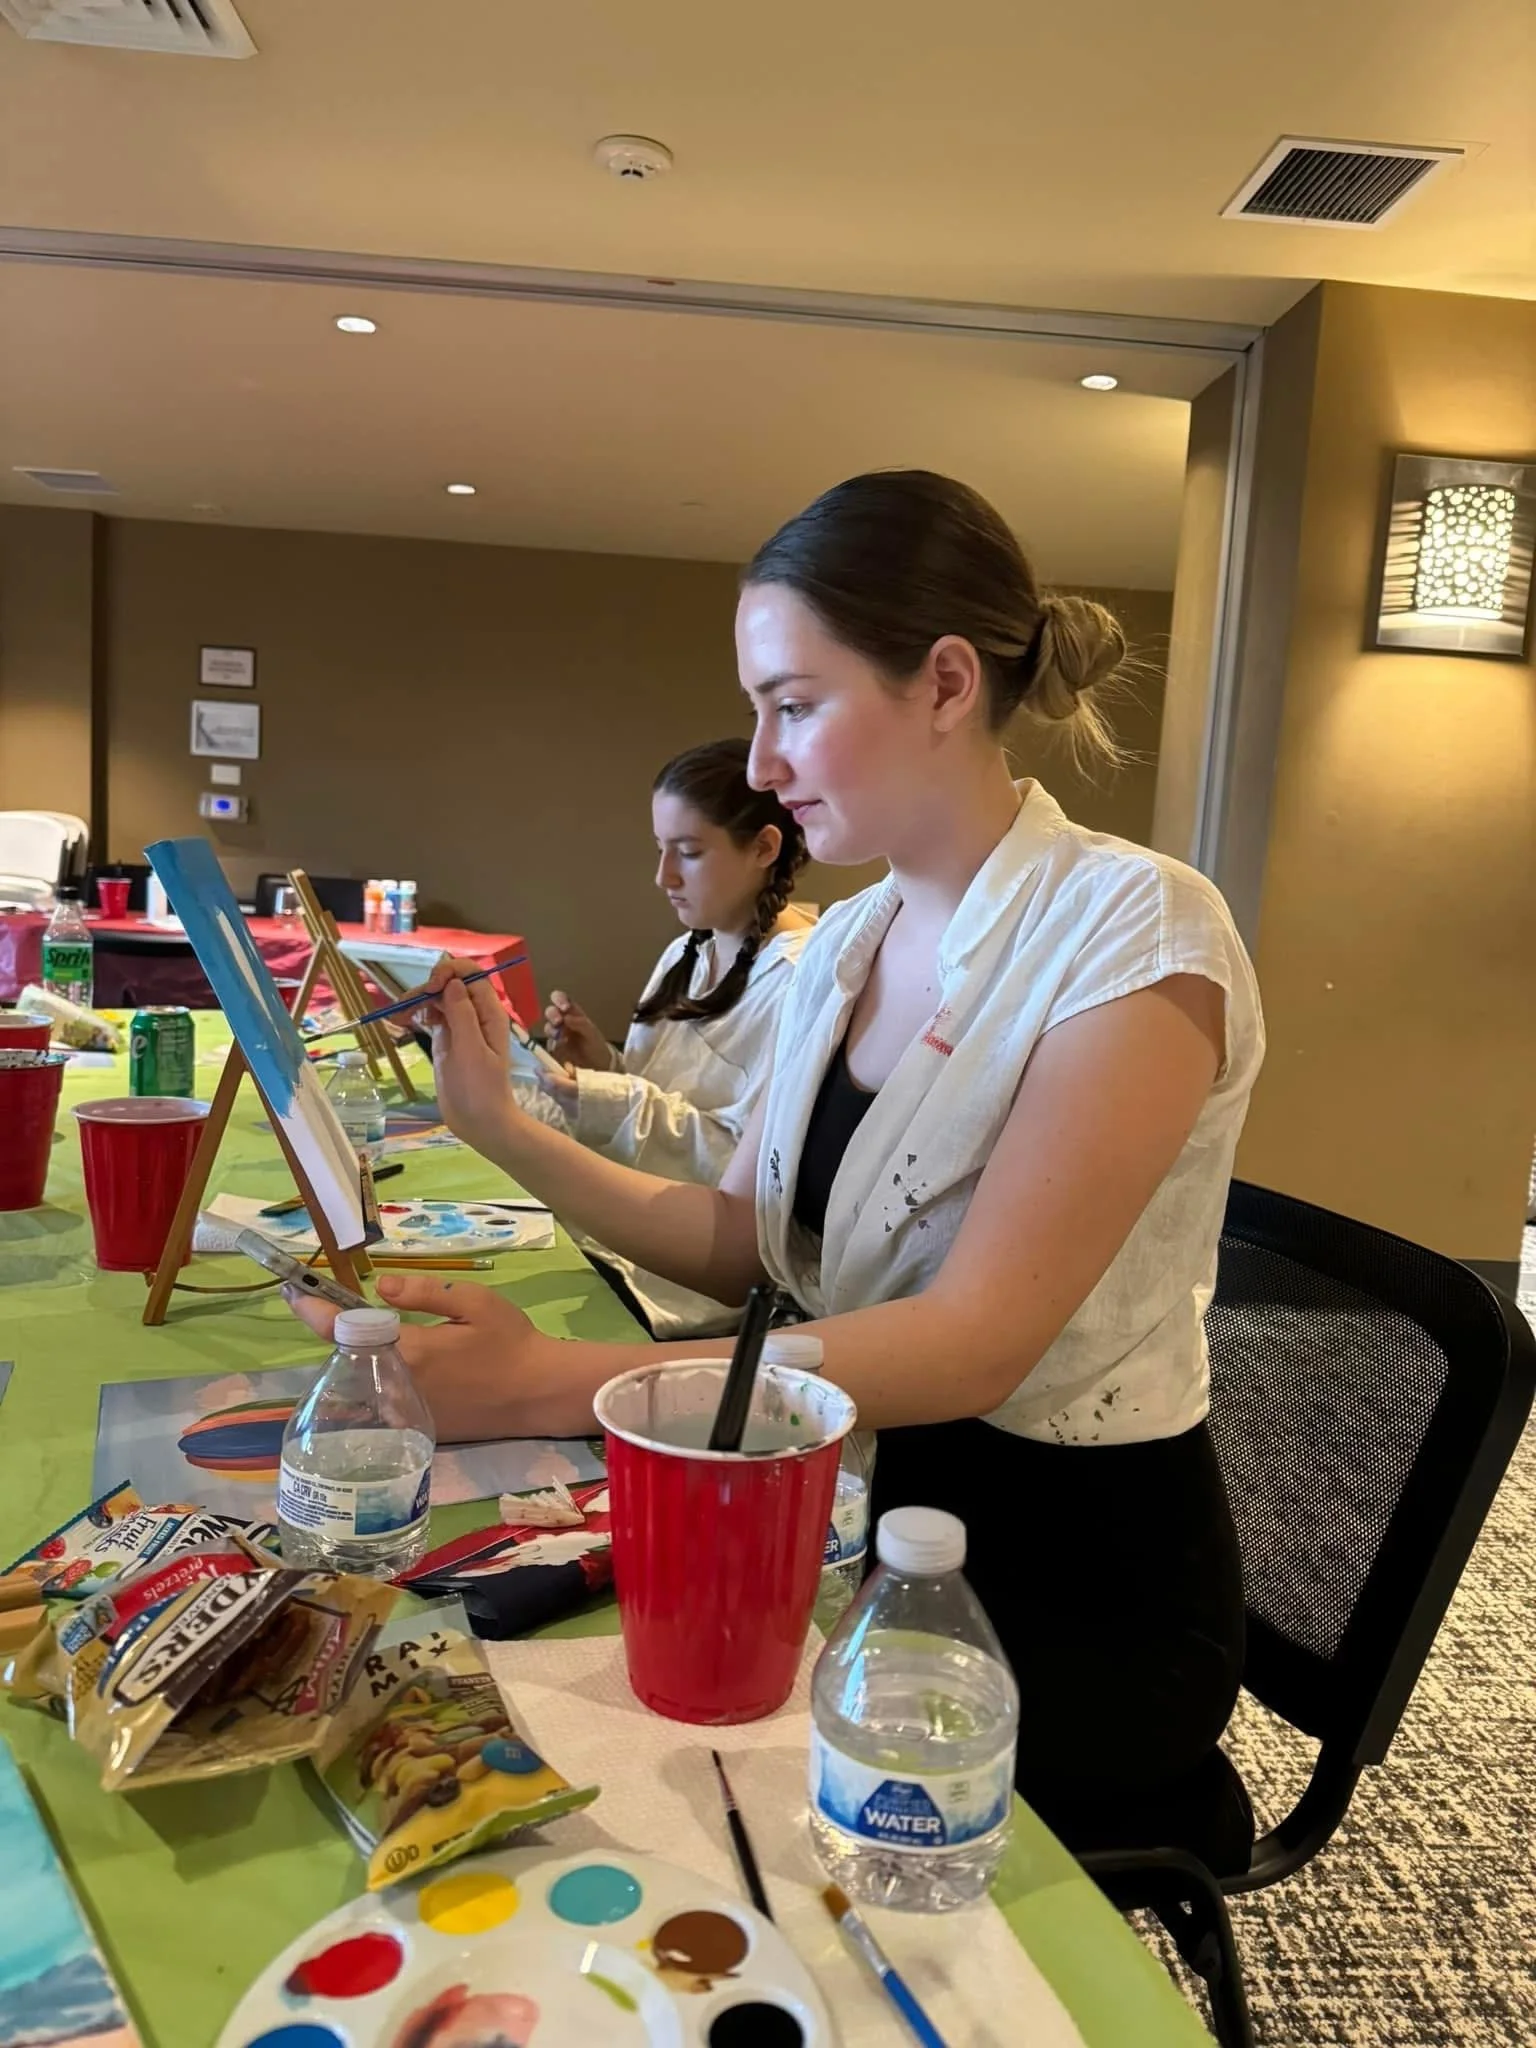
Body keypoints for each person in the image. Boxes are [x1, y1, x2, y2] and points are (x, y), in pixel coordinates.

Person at [288, 470, 1264, 1864]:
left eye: (794, 704)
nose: (761, 759)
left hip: (1063, 1593)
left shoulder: (1138, 930)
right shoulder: (851, 946)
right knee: (498, 1726)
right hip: (841, 1504)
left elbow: (978, 1345)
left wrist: (560, 1386)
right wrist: (506, 1126)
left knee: (636, 1817)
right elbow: (741, 1240)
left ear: (940, 683)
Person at [517, 737, 812, 1336]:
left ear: (764, 847)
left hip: (692, 1281)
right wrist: (602, 1061)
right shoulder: (689, 948)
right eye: (660, 850)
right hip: (627, 1237)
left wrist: (602, 1097)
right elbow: (674, 1098)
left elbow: (744, 1171)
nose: (663, 876)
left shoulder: (798, 981)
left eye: (689, 852)